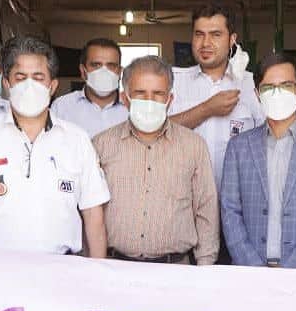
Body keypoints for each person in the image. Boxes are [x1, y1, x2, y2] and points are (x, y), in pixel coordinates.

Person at [0, 36, 109, 256]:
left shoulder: (76, 139)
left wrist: (97, 271)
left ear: (52, 86)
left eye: (38, 78)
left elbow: (94, 214)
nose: (29, 86)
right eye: (20, 78)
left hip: (60, 269)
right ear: (6, 84)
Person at [219, 52, 296, 269]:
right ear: (257, 94)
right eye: (268, 88)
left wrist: (293, 268)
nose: (277, 93)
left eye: (286, 86)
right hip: (250, 272)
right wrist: (254, 268)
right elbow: (230, 211)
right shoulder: (238, 147)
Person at [93, 56, 217, 265]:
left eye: (158, 94)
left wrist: (205, 266)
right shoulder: (101, 145)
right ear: (125, 98)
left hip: (176, 269)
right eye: (140, 93)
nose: (149, 101)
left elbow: (206, 209)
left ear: (170, 99)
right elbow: (90, 211)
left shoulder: (194, 146)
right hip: (115, 267)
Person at [169, 3, 264, 188]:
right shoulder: (174, 82)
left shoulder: (251, 84)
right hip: (184, 197)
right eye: (199, 34)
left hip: (239, 197)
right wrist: (207, 109)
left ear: (232, 40)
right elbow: (157, 131)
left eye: (216, 34)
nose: (206, 43)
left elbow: (269, 137)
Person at [50, 38, 128, 138]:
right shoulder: (61, 107)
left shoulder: (132, 109)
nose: (104, 71)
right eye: (96, 65)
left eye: (111, 66)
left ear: (120, 72)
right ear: (83, 71)